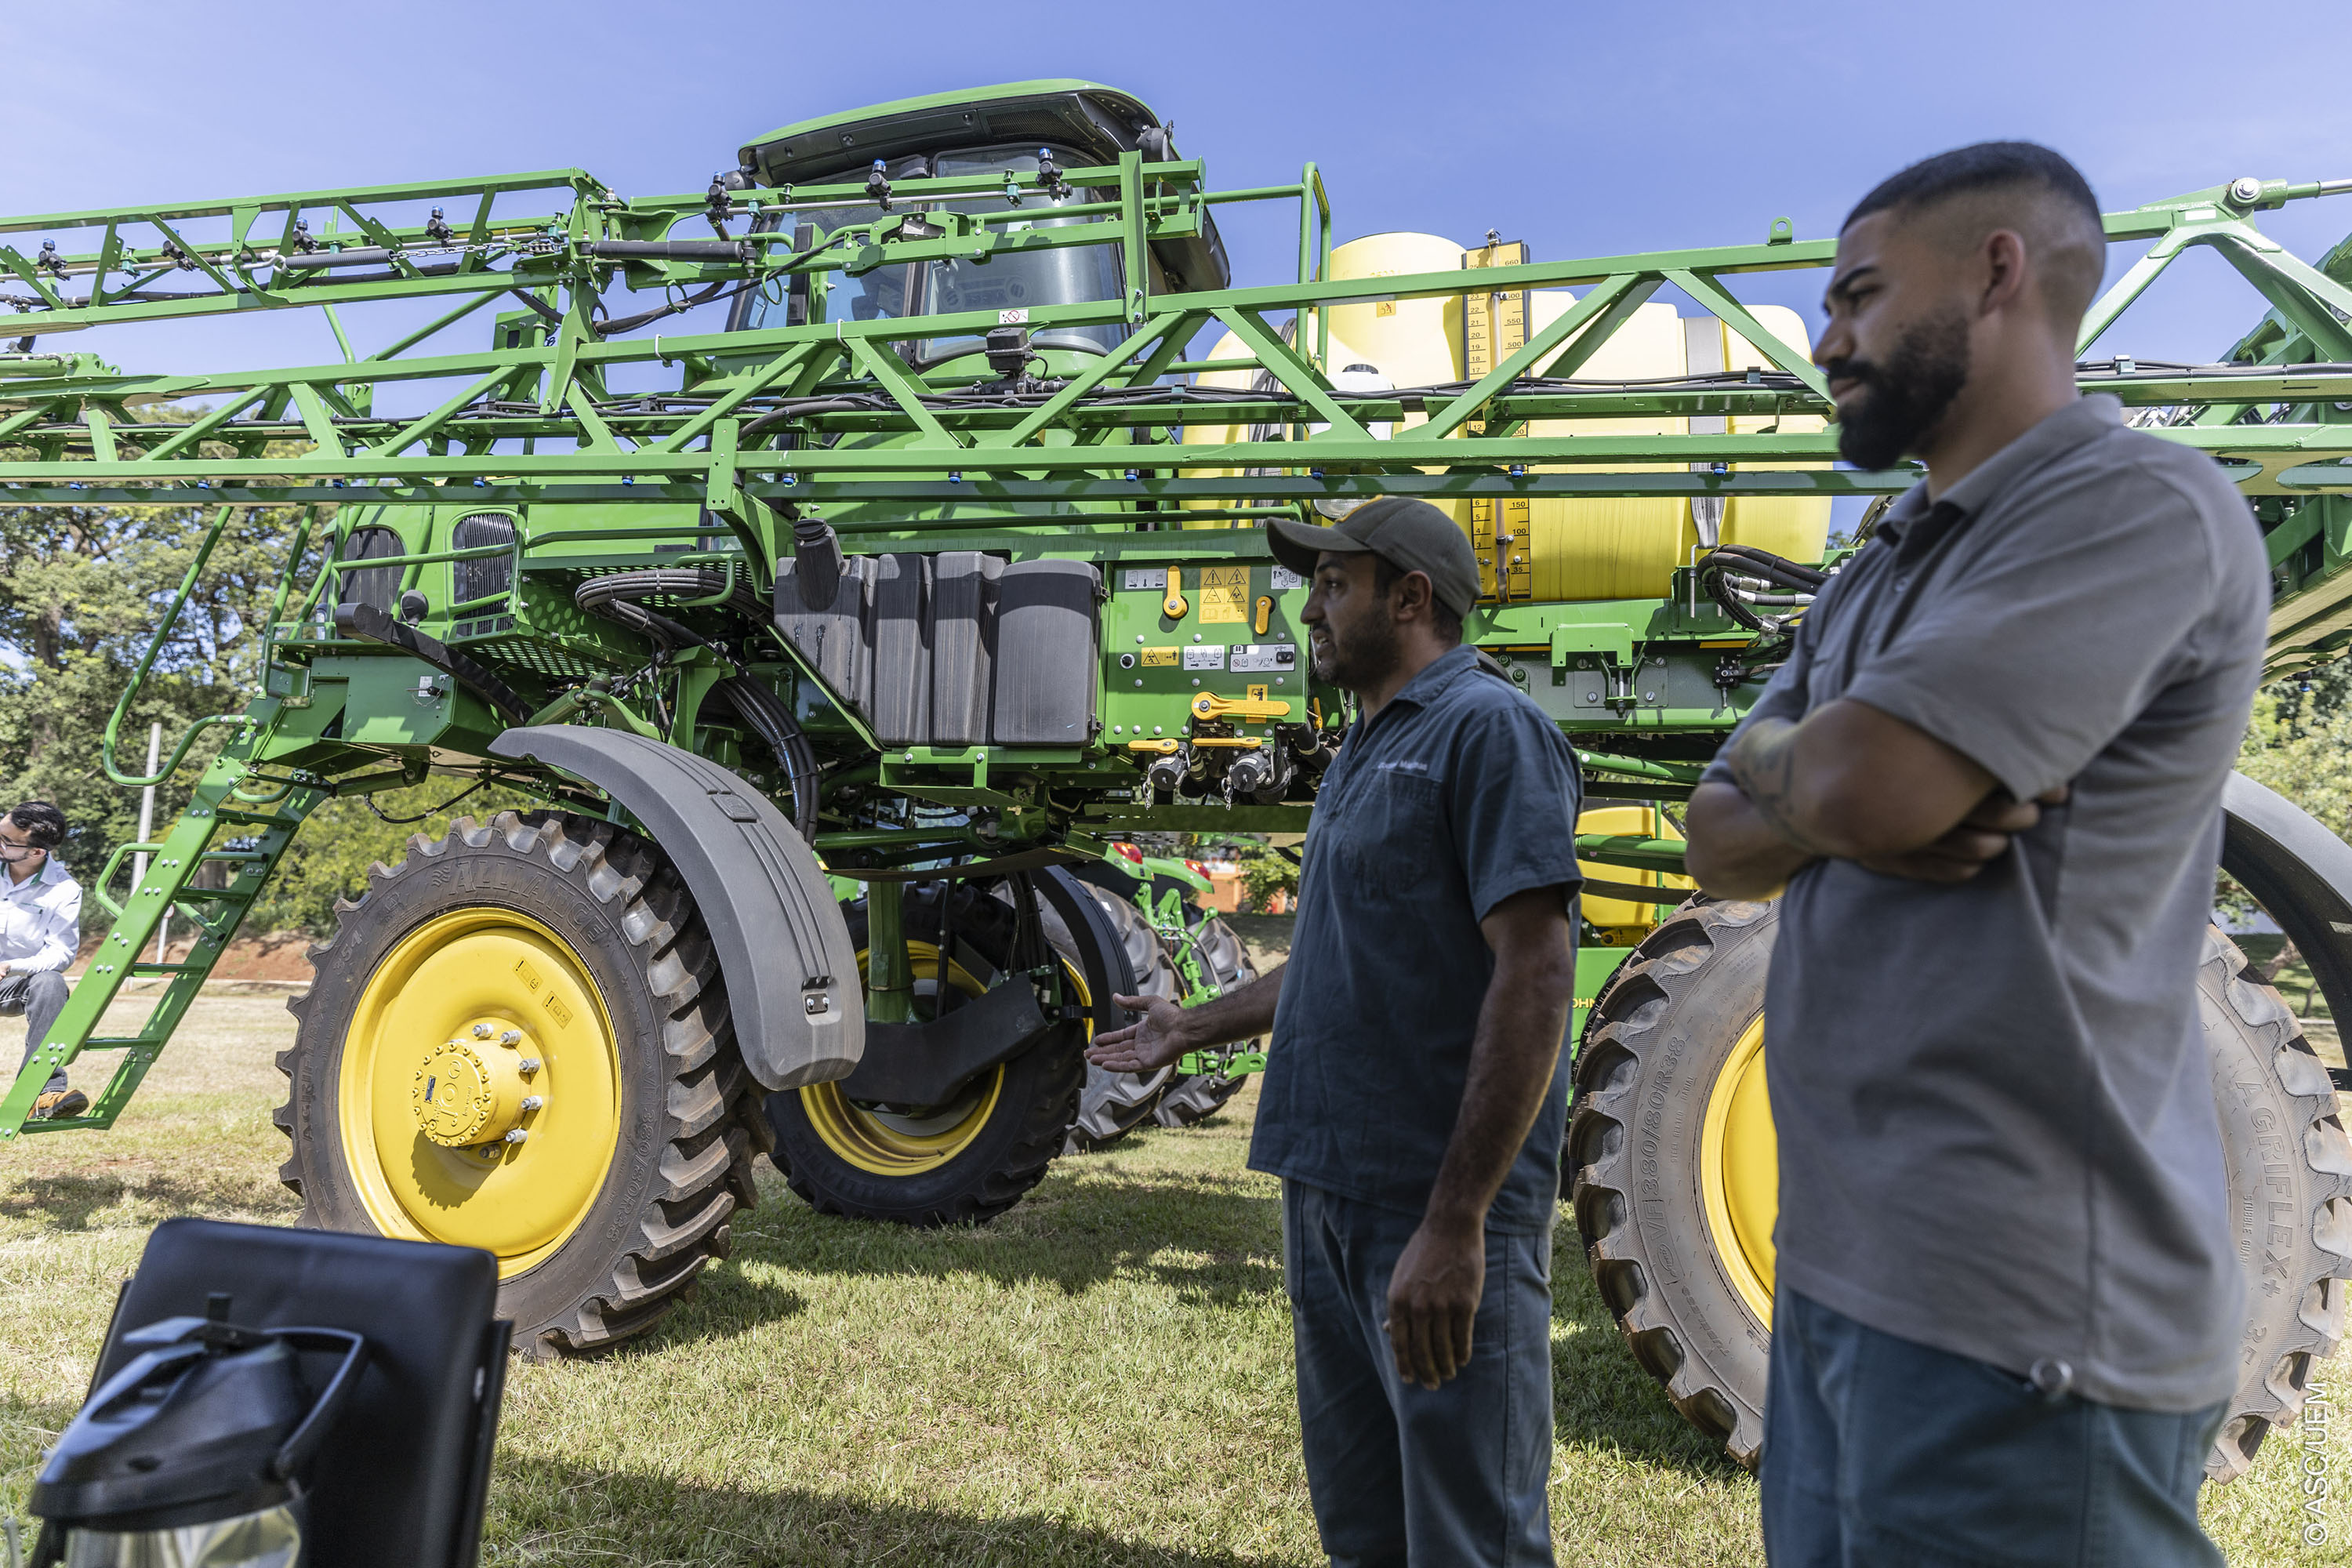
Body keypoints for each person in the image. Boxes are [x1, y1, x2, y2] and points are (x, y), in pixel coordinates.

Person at [1683, 142, 2267, 1566]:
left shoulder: (2134, 506)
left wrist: (1824, 782)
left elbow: (1866, 786)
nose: (1825, 341)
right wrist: (1805, 775)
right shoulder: (1884, 559)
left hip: (2022, 1331)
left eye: (1860, 296)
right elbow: (1720, 838)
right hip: (1841, 1288)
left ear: (1998, 272)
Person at [1089, 496, 1583, 1566]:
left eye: (1333, 585)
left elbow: (1537, 976)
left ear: (1410, 599)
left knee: (1471, 1538)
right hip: (1327, 1194)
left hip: (1432, 1207)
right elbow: (1332, 959)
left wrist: (1456, 1225)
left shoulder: (1487, 730)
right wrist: (1191, 1026)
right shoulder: (1365, 748)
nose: (1308, 607)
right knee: (1364, 1532)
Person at [0, 801, 84, 1120]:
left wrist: (12, 966)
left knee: (51, 982)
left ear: (37, 852)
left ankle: (42, 1091)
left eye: (6, 841)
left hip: (10, 982)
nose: (0, 842)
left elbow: (61, 953)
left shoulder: (64, 890)